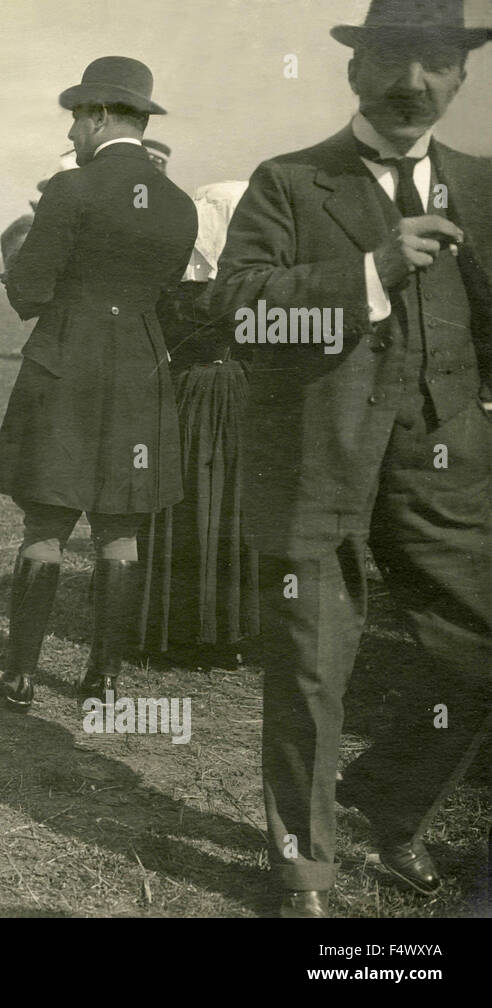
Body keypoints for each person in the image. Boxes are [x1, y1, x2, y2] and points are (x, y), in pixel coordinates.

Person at [212, 0, 492, 917]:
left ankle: (389, 801)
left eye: (438, 64)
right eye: (396, 59)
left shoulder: (483, 185)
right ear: (355, 68)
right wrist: (371, 271)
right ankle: (306, 872)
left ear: (463, 76)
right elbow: (245, 313)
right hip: (314, 462)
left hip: (443, 470)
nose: (415, 83)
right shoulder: (290, 182)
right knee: (310, 671)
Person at [0, 56, 197, 713]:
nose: (72, 133)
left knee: (45, 527)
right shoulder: (179, 203)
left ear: (100, 115)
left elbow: (27, 287)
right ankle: (103, 679)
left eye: (76, 118)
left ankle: (20, 674)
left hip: (64, 367)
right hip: (140, 371)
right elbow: (169, 299)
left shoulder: (69, 189)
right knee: (120, 534)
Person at [137, 180, 260, 670]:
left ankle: (176, 625)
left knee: (186, 501)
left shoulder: (173, 287)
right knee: (227, 504)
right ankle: (226, 630)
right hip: (234, 395)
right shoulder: (247, 286)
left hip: (186, 395)